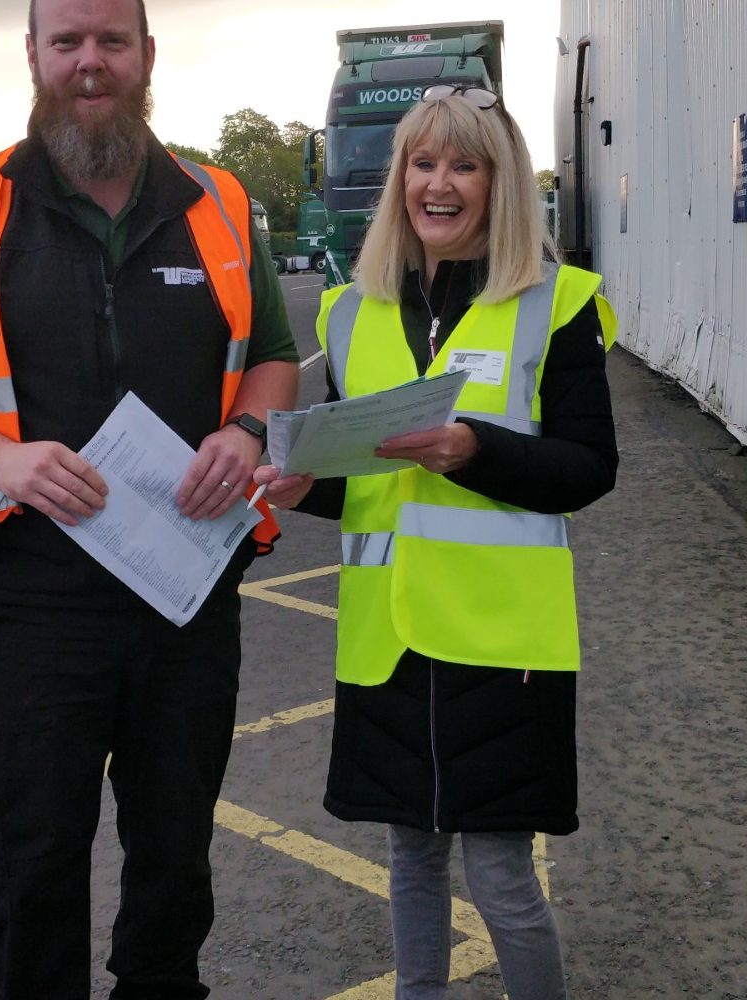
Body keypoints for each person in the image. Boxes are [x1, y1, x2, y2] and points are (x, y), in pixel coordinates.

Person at [0, 0, 299, 1000]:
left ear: (147, 55)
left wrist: (247, 429)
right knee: (25, 869)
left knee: (174, 868)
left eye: (111, 41)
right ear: (32, 56)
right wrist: (1, 457)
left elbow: (276, 358)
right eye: (68, 42)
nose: (90, 63)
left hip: (187, 595)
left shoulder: (222, 202)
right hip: (31, 602)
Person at [255, 85, 618, 999]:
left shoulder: (556, 304)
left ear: (500, 185)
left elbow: (587, 468)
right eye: (423, 164)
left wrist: (475, 450)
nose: (440, 184)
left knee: (500, 878)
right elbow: (363, 480)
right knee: (409, 863)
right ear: (400, 183)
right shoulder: (348, 313)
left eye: (464, 164)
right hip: (386, 644)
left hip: (505, 645)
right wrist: (307, 487)